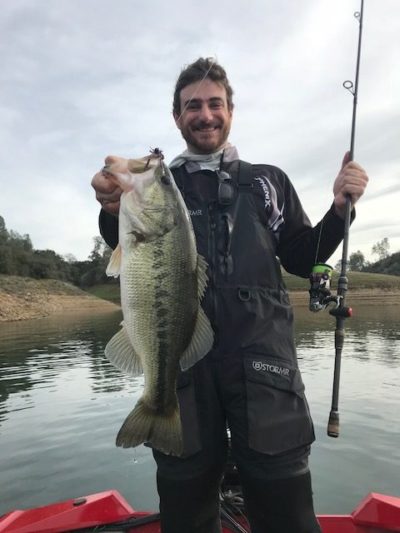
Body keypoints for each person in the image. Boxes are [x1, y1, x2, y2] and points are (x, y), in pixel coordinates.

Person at [92, 58, 368, 533]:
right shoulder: (161, 185)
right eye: (192, 106)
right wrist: (111, 207)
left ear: (231, 110)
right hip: (184, 365)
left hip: (263, 360)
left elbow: (304, 257)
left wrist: (340, 209)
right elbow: (132, 245)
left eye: (214, 103)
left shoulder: (267, 182)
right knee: (184, 497)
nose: (205, 114)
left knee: (284, 494)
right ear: (177, 117)